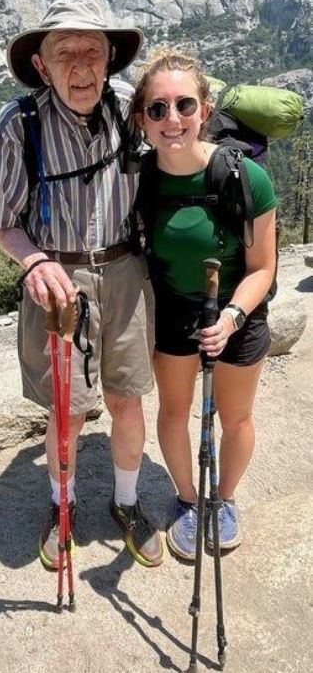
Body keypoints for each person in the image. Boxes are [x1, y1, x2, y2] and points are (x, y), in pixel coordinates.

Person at [0, 0, 163, 569]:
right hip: (55, 280)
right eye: (66, 54)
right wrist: (34, 263)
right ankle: (63, 505)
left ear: (110, 58)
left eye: (92, 51)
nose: (81, 67)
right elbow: (1, 222)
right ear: (42, 65)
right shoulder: (18, 124)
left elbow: (185, 146)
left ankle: (127, 503)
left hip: (127, 272)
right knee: (69, 411)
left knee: (127, 398)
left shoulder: (133, 107)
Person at [132, 48, 277, 561]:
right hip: (175, 311)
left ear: (205, 110)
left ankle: (225, 501)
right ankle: (191, 502)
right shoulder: (141, 179)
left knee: (234, 419)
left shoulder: (244, 178)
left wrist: (233, 317)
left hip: (239, 313)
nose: (173, 120)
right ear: (142, 119)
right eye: (158, 109)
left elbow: (263, 268)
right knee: (174, 413)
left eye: (184, 106)